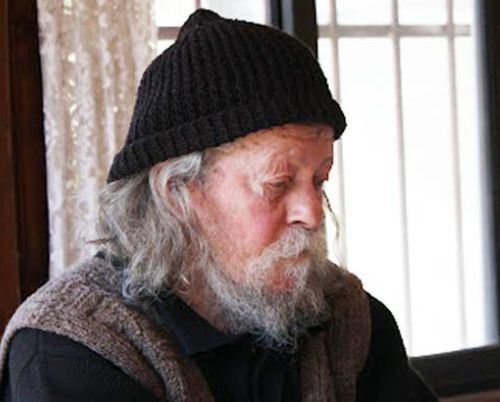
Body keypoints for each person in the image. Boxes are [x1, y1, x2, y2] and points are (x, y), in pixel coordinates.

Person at [0, 9, 437, 402]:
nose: (312, 212)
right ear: (179, 193)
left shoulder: (346, 318)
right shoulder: (73, 351)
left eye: (319, 180)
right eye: (278, 183)